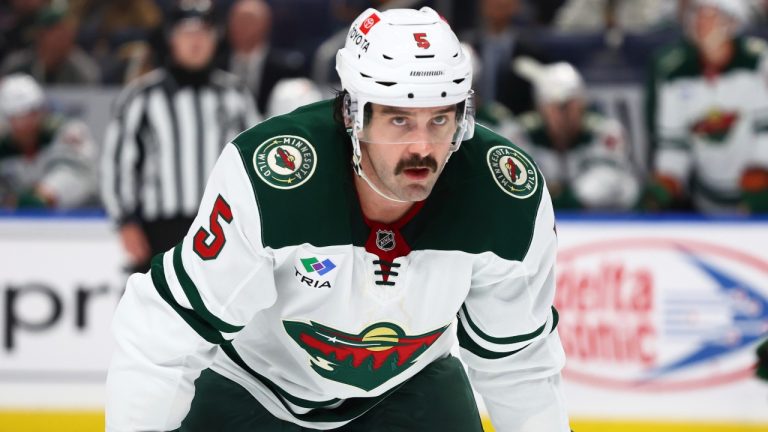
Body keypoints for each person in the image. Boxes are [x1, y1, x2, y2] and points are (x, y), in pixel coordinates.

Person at [106, 7, 570, 432]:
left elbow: (520, 365)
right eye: (400, 120)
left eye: (439, 119)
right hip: (250, 387)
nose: (423, 148)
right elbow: (163, 332)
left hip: (408, 387)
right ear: (352, 114)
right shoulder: (273, 179)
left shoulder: (504, 192)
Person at [100, 0, 259, 274]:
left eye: (203, 33)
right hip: (159, 229)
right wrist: (125, 221)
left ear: (215, 38)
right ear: (171, 38)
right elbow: (117, 163)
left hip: (225, 227)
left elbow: (254, 159)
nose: (195, 42)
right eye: (186, 33)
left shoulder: (236, 95)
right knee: (161, 301)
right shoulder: (142, 97)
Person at [645, 0, 768, 213]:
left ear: (732, 21)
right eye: (697, 14)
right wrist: (666, 182)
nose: (702, 22)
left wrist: (761, 170)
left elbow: (765, 130)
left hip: (758, 199)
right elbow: (674, 145)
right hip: (706, 203)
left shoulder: (758, 63)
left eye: (711, 15)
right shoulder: (674, 72)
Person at [512, 57, 640, 210]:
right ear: (541, 108)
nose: (564, 116)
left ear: (582, 104)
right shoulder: (522, 135)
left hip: (605, 218)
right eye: (557, 107)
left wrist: (572, 196)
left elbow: (611, 178)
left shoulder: (605, 132)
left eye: (571, 105)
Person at [0, 73, 98, 209]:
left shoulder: (67, 133)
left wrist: (42, 195)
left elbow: (76, 177)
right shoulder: (4, 146)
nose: (25, 123)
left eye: (32, 113)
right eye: (16, 117)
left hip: (81, 216)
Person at [219, 0, 305, 115]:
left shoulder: (287, 70)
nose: (241, 25)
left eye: (248, 19)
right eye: (235, 20)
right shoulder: (216, 66)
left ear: (266, 24)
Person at [0, 3, 101, 85]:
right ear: (40, 36)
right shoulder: (18, 65)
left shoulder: (83, 70)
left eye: (67, 34)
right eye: (57, 34)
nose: (64, 40)